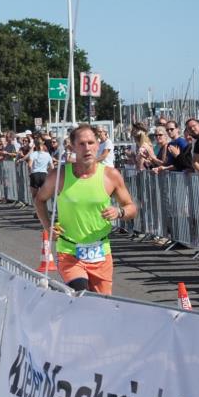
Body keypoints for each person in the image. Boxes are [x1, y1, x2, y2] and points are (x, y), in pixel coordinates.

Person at [33, 124, 137, 295]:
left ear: (98, 145)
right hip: (70, 251)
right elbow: (40, 200)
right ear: (72, 147)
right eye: (81, 144)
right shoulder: (59, 175)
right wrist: (47, 226)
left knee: (101, 306)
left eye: (91, 143)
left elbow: (131, 207)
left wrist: (119, 212)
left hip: (101, 251)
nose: (87, 148)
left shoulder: (110, 175)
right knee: (81, 295)